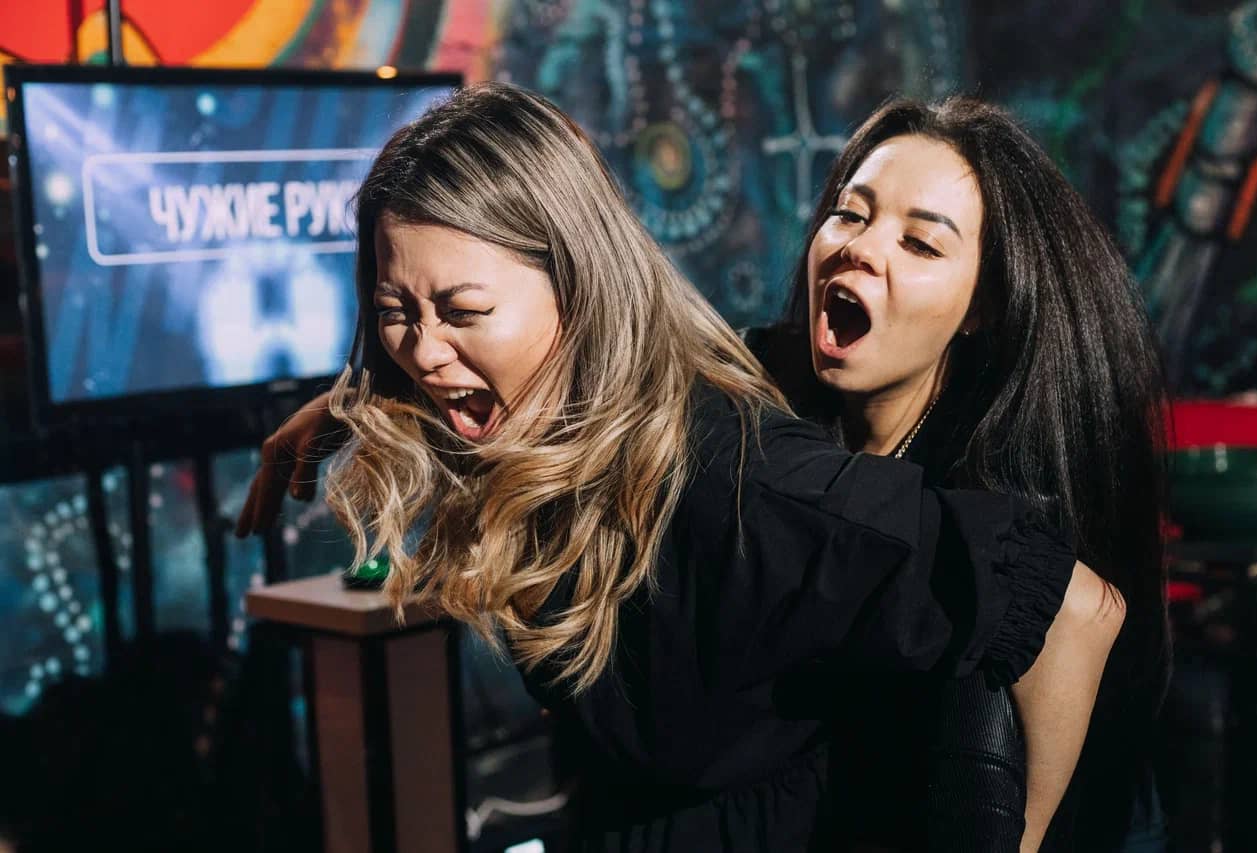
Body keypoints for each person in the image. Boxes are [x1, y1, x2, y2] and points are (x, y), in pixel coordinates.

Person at [236, 82, 1124, 851]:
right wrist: (352, 401)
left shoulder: (742, 484)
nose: (425, 349)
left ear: (577, 285)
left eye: (464, 311)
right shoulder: (590, 407)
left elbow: (1074, 604)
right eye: (396, 311)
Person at [745, 98, 1169, 851]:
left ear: (981, 307)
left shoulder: (989, 512)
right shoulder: (761, 409)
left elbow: (1084, 611)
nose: (860, 248)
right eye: (849, 214)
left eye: (920, 243)